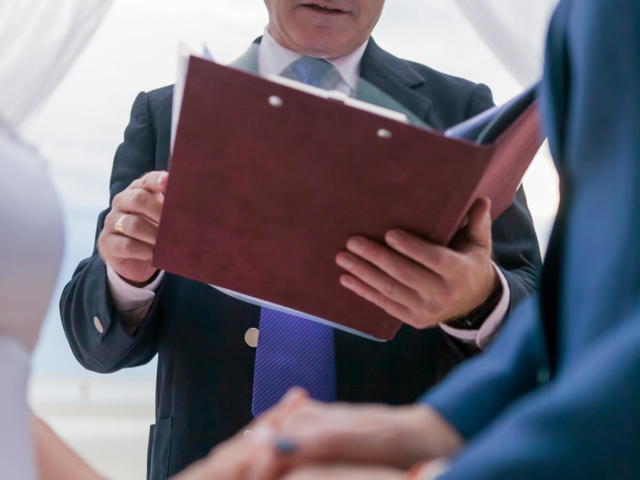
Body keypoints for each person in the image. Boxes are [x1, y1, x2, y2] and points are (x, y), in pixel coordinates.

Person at [60, 0, 541, 477]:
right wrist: (127, 276)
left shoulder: (464, 110)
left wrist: (478, 298)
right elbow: (92, 345)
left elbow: (542, 308)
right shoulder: (166, 112)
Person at [242, 0, 640, 478]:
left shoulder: (466, 102)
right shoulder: (583, 14)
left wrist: (478, 301)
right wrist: (432, 424)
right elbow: (587, 295)